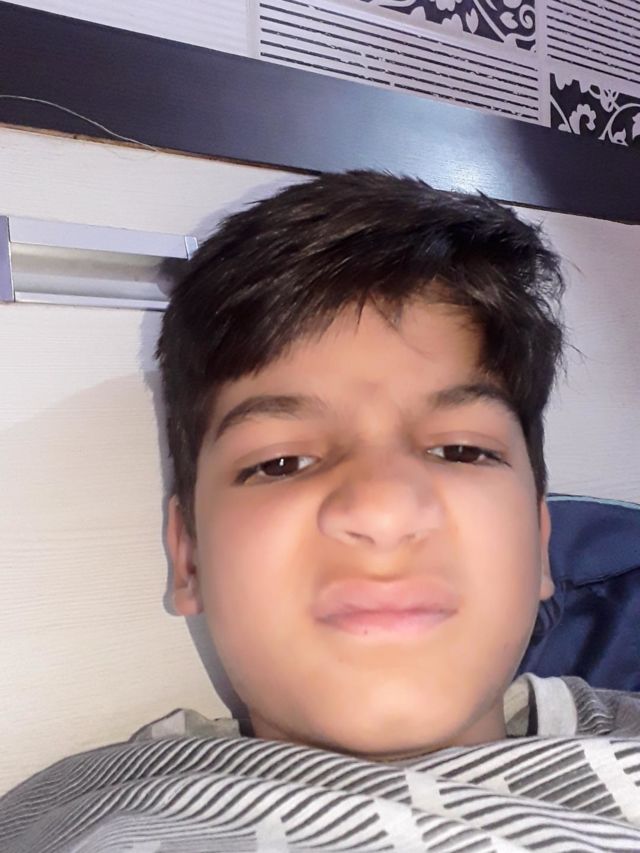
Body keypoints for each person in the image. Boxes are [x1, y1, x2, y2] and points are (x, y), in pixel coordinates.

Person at [1, 171, 639, 851]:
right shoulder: (75, 818)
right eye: (281, 462)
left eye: (460, 450)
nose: (383, 508)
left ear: (539, 540)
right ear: (188, 556)